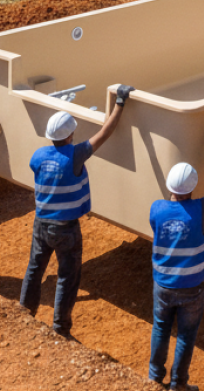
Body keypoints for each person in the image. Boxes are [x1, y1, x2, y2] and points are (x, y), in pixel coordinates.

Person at [19, 86, 134, 337]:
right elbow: (106, 131)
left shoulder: (38, 155)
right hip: (66, 228)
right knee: (67, 277)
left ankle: (23, 314)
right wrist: (120, 102)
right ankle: (60, 328)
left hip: (41, 224)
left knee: (34, 269)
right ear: (71, 134)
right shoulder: (75, 155)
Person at [148, 129, 204, 391]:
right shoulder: (201, 209)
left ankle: (154, 379)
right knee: (185, 335)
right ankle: (178, 386)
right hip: (193, 287)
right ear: (192, 188)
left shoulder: (156, 209)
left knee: (161, 328)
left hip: (163, 285)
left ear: (171, 188)